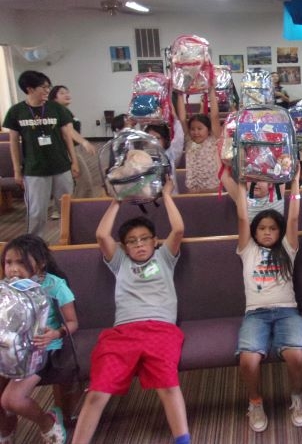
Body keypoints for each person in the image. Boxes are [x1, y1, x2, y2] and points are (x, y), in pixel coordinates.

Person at [72, 178, 190, 444]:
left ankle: (182, 440)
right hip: (123, 332)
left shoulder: (164, 257)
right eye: (132, 241)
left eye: (144, 239)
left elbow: (179, 229)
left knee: (167, 385)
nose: (138, 245)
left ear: (154, 241)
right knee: (98, 391)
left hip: (161, 328)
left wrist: (167, 195)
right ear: (124, 247)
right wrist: (117, 200)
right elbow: (102, 236)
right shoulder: (120, 262)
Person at [220, 166, 302, 432]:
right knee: (248, 360)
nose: (267, 232)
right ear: (255, 232)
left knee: (296, 356)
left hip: (287, 312)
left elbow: (292, 220)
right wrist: (245, 187)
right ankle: (255, 401)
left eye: (272, 228)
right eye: (262, 229)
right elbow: (244, 218)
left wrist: (294, 184)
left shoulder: (287, 248)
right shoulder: (247, 249)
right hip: (256, 314)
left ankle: (297, 395)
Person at [0, 234, 78, 444]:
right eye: (8, 263)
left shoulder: (55, 286)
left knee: (11, 400)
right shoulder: (5, 288)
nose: (13, 269)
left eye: (21, 262)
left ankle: (48, 422)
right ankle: (6, 432)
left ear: (41, 263)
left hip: (41, 349)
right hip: (9, 349)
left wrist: (56, 333)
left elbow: (72, 322)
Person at [2, 71, 79, 239]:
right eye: (43, 87)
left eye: (48, 87)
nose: (47, 90)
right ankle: (35, 245)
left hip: (61, 166)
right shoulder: (16, 112)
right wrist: (16, 170)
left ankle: (72, 241)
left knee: (67, 208)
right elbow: (14, 142)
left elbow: (67, 136)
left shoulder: (55, 108)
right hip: (34, 170)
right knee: (36, 212)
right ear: (29, 89)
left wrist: (74, 162)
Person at [48, 85, 97, 202]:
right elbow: (69, 131)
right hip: (67, 150)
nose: (67, 95)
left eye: (67, 92)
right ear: (54, 98)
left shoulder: (65, 111)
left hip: (73, 149)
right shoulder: (58, 111)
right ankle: (78, 209)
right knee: (85, 183)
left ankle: (64, 208)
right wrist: (84, 142)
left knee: (70, 183)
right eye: (62, 93)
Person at [177, 86, 222, 193]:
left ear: (209, 130)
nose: (196, 132)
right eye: (193, 129)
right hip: (193, 189)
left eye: (200, 129)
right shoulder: (189, 140)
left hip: (213, 188)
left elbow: (215, 116)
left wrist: (211, 90)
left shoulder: (213, 140)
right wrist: (179, 92)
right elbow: (182, 118)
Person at [145, 118, 185, 195]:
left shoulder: (171, 154)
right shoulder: (141, 157)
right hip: (150, 201)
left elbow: (179, 138)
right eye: (150, 138)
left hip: (172, 199)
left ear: (165, 140)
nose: (153, 142)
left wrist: (174, 118)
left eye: (157, 138)